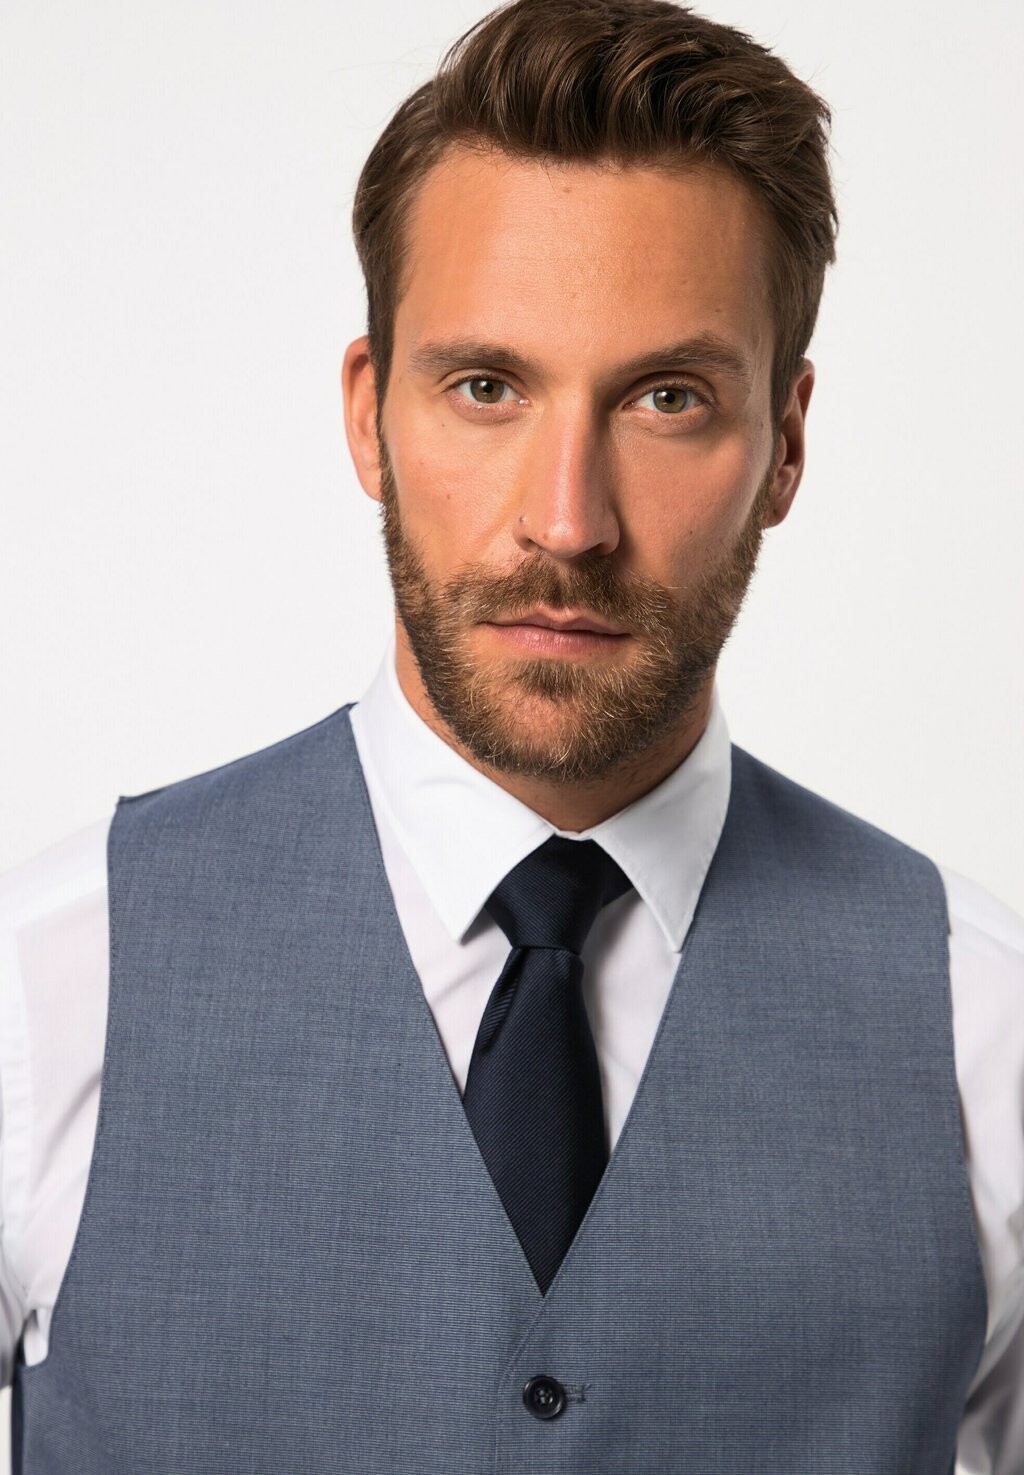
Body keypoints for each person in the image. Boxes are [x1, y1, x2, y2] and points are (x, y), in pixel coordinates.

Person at [2, 0, 1021, 1469]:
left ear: (785, 445)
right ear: (372, 415)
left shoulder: (985, 1034)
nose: (566, 521)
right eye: (486, 387)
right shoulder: (47, 994)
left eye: (667, 399)